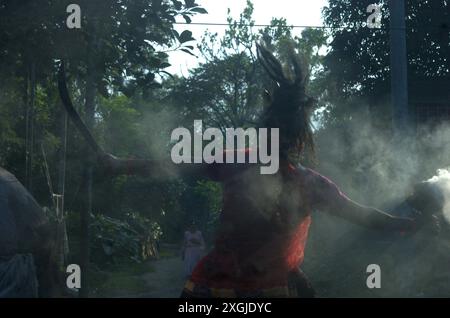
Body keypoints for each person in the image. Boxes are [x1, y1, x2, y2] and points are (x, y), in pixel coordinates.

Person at [98, 44, 418, 298]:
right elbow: (367, 216)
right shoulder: (307, 183)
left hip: (222, 288)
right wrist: (412, 223)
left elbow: (168, 166)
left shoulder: (236, 163)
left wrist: (118, 164)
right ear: (299, 139)